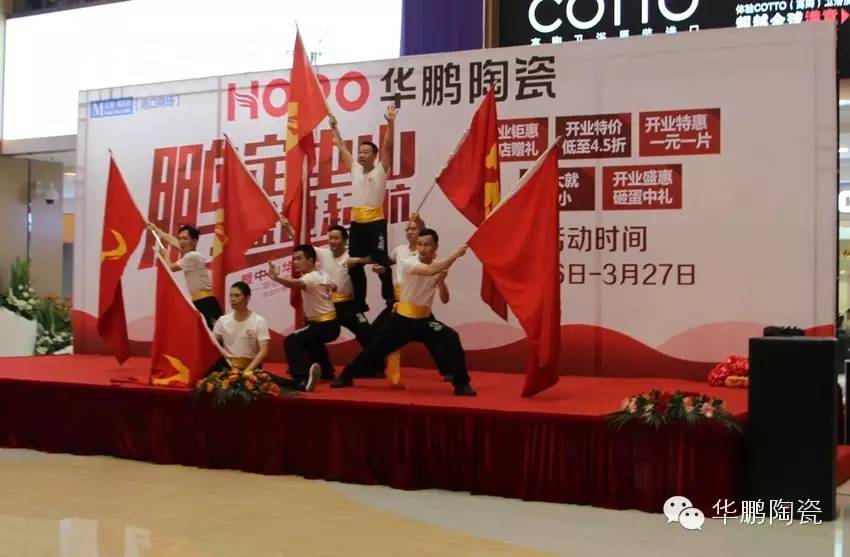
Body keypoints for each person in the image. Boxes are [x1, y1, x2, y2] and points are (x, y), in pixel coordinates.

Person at [331, 228, 477, 396]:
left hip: (425, 320)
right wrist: (455, 255)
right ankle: (347, 375)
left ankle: (461, 384)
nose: (422, 248)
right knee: (375, 350)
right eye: (419, 244)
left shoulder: (438, 265)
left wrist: (442, 282)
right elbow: (430, 270)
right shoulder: (409, 262)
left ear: (435, 247)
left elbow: (445, 299)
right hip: (402, 320)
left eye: (427, 244)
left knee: (450, 337)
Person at [279, 216, 375, 379]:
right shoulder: (323, 253)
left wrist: (359, 260)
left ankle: (374, 367)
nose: (332, 241)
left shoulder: (352, 255)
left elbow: (373, 257)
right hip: (327, 306)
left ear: (345, 240)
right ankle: (319, 369)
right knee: (310, 337)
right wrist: (288, 227)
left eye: (336, 238)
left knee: (366, 333)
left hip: (348, 306)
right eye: (330, 238)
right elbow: (302, 246)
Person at [329, 104, 396, 311]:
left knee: (381, 262)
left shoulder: (381, 170)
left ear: (375, 156)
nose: (362, 154)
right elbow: (341, 146)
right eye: (360, 151)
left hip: (375, 223)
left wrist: (391, 123)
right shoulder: (355, 169)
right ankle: (359, 302)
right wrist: (334, 127)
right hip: (357, 223)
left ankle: (390, 298)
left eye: (366, 152)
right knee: (352, 263)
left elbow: (388, 145)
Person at [213, 281, 319, 392]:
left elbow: (264, 350)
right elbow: (213, 344)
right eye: (231, 295)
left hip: (251, 368)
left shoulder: (258, 321)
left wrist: (247, 371)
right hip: (228, 368)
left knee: (268, 381)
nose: (232, 299)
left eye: (237, 295)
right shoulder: (223, 321)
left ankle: (303, 384)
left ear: (247, 298)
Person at [268, 244, 341, 385]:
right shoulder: (323, 275)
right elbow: (334, 286)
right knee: (312, 340)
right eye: (294, 259)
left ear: (311, 260)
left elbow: (295, 283)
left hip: (323, 325)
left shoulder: (310, 278)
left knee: (292, 341)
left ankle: (301, 378)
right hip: (331, 325)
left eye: (299, 259)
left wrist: (277, 278)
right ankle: (326, 371)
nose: (295, 262)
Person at [147, 222, 222, 330]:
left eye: (185, 238)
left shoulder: (193, 256)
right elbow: (173, 241)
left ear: (194, 241)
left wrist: (166, 255)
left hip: (206, 302)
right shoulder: (190, 254)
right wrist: (156, 230)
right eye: (180, 238)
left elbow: (170, 267)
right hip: (199, 301)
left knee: (215, 334)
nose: (181, 241)